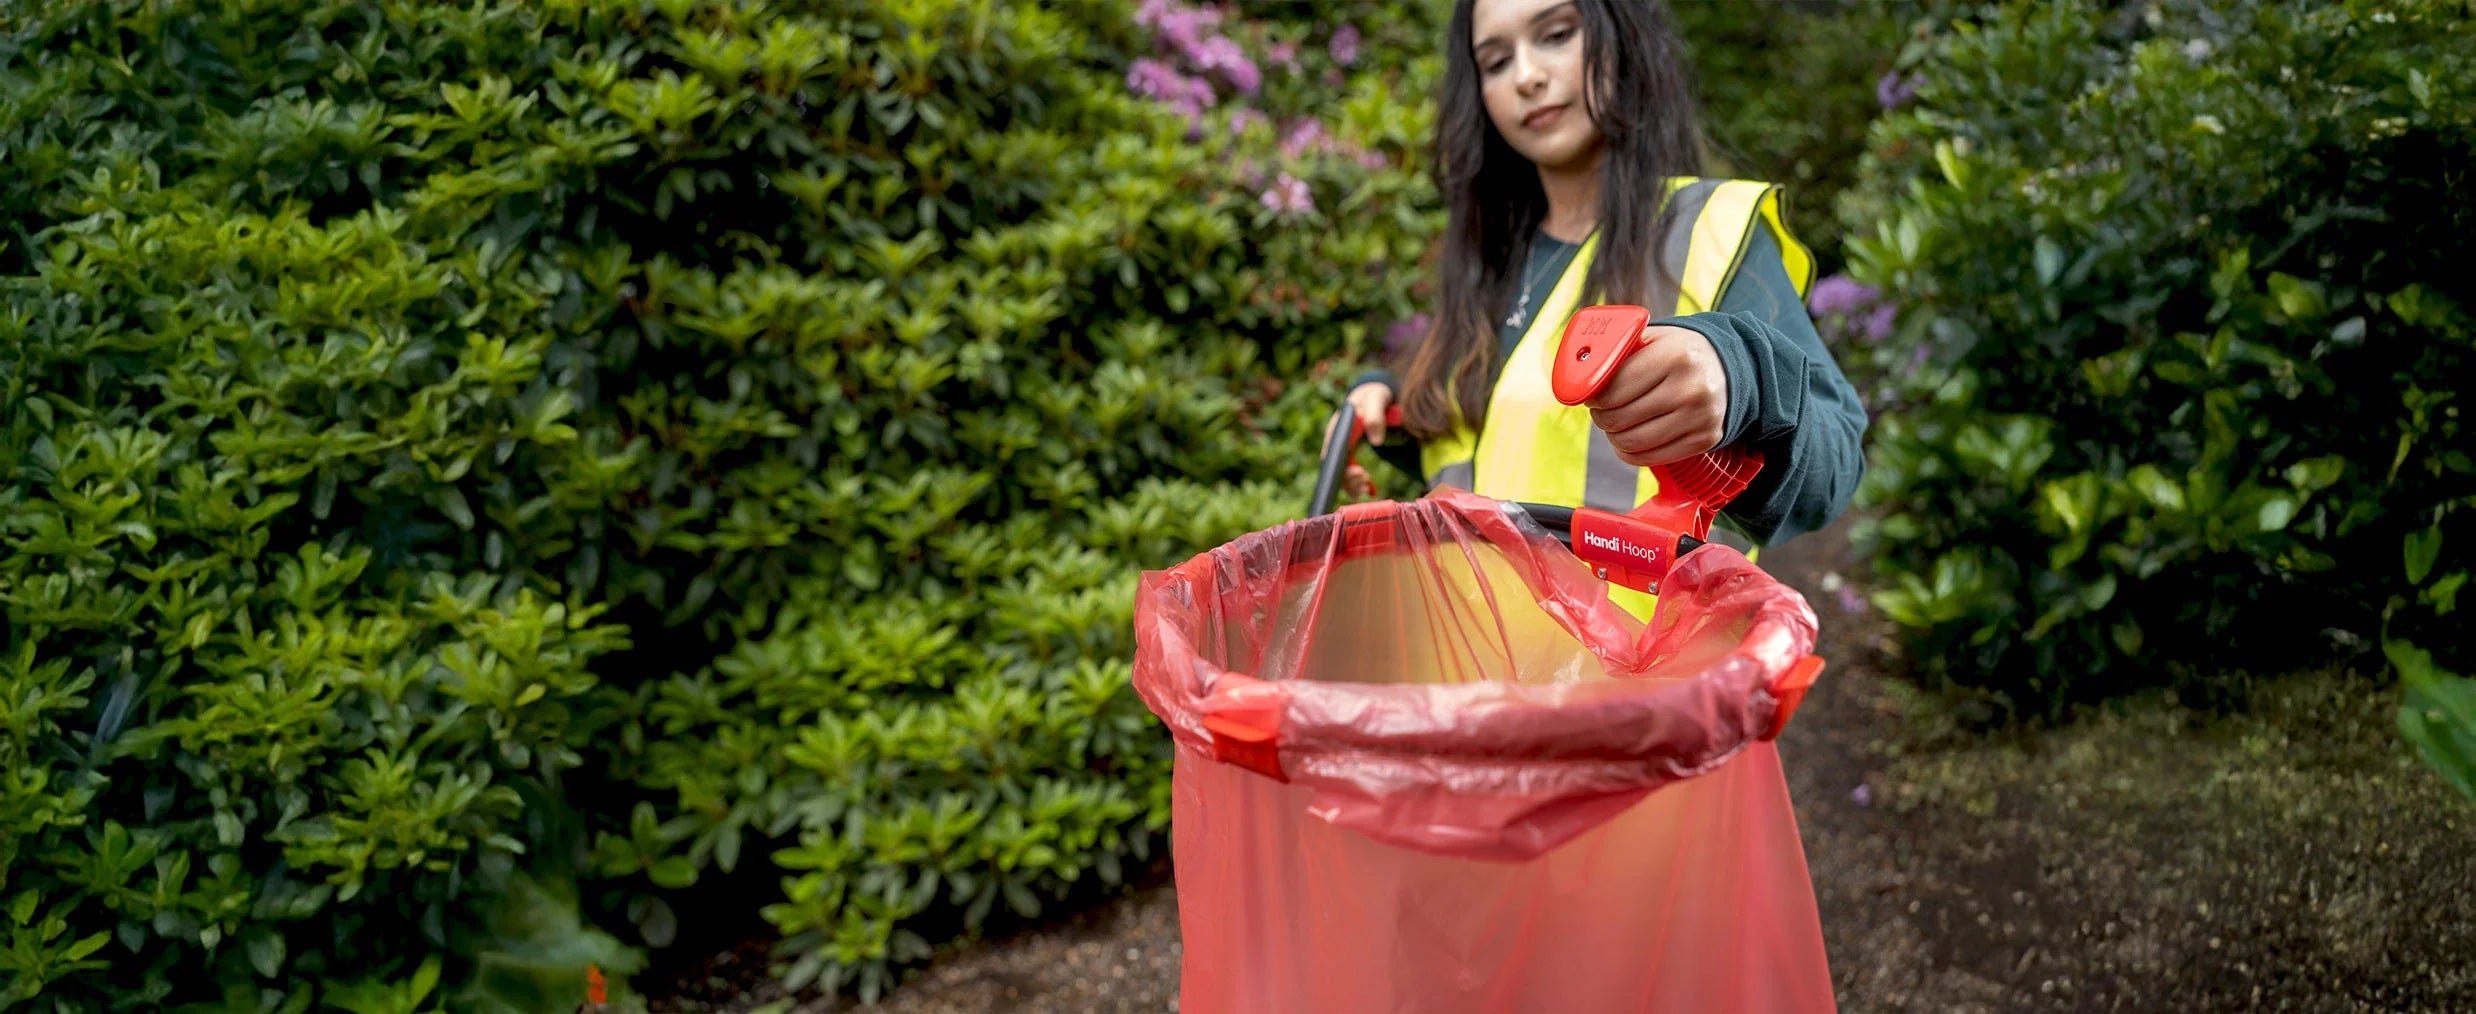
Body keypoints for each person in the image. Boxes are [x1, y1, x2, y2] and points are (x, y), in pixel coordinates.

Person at [1345, 0, 1868, 615]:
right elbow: (1495, 452)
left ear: (1623, 41)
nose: (1527, 76)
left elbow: (1832, 467)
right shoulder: (1491, 261)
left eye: (1557, 34)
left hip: (1635, 690)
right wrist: (1385, 406)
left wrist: (1739, 376)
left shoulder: (1708, 231)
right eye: (1495, 60)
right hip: (1474, 677)